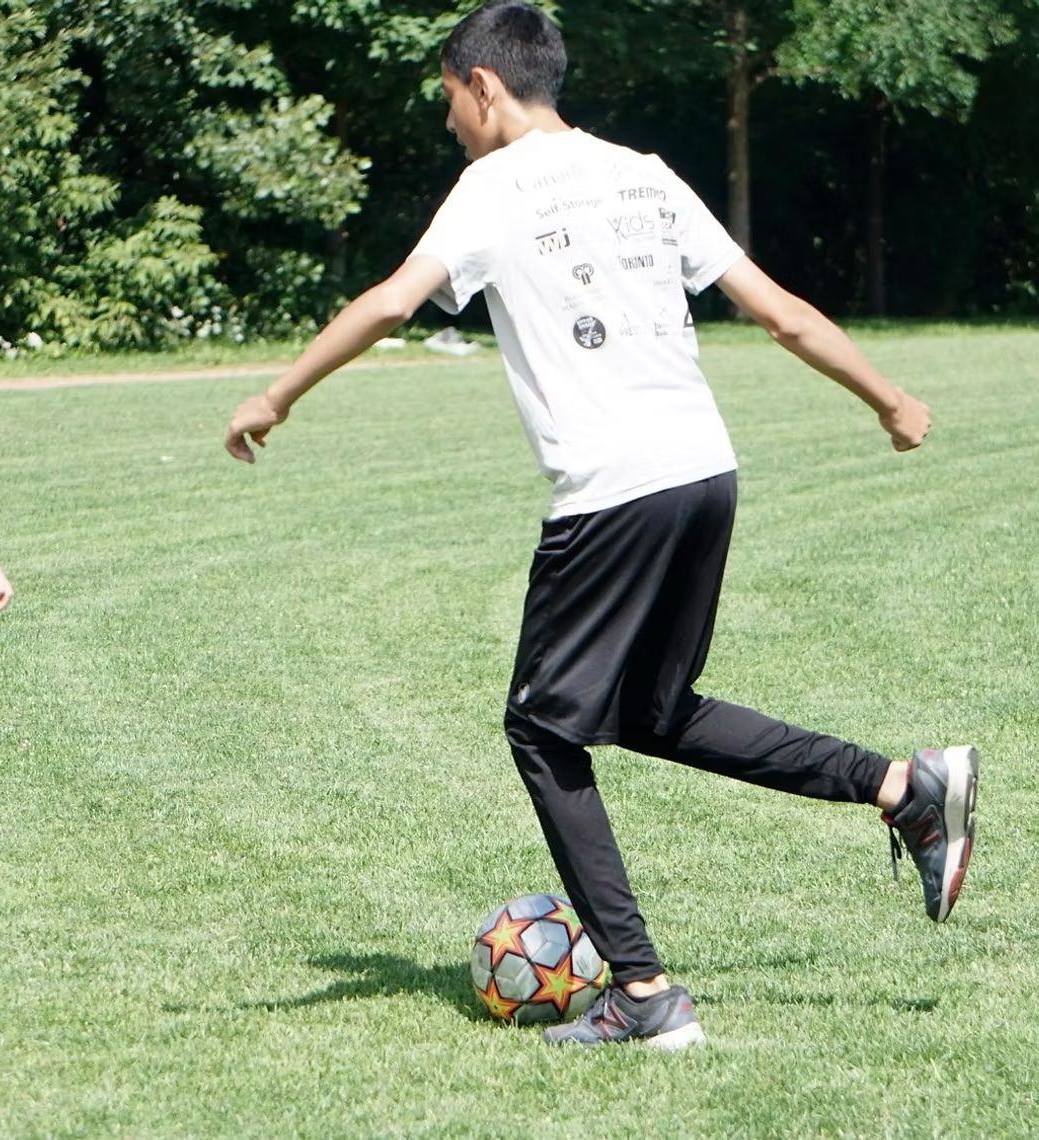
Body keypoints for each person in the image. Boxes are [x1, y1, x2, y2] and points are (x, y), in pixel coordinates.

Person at [223, 1, 978, 1050]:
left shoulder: (490, 187)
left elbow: (396, 301)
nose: (448, 121)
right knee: (654, 711)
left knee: (540, 725)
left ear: (483, 86)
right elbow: (778, 311)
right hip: (701, 474)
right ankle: (903, 786)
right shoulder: (646, 172)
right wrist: (887, 398)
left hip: (612, 490)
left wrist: (277, 395)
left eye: (448, 98)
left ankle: (643, 993)